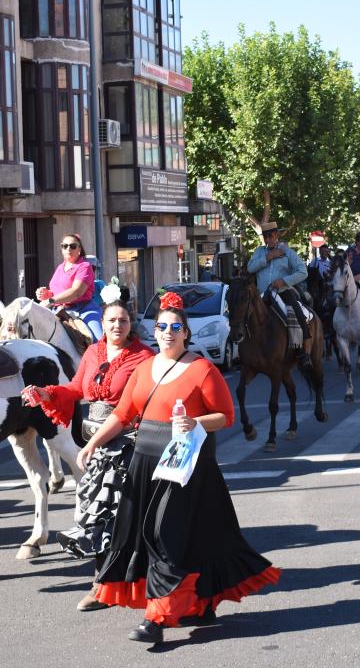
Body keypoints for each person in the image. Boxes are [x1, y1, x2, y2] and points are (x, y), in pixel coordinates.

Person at [76, 292, 280, 644]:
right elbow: (123, 415)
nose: (168, 332)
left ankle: (157, 618)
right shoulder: (143, 369)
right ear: (154, 331)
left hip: (184, 466)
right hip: (145, 462)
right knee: (166, 537)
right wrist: (93, 443)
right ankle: (198, 603)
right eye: (162, 326)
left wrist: (196, 424)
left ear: (186, 333)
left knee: (163, 536)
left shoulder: (202, 369)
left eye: (175, 327)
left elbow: (225, 416)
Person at [21, 300, 154, 611]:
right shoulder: (94, 353)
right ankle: (102, 586)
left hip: (129, 444)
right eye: (111, 320)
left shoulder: (144, 358)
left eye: (122, 320)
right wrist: (46, 393)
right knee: (96, 516)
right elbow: (77, 388)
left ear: (130, 323)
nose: (117, 326)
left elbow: (141, 406)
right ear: (104, 323)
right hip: (97, 443)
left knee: (127, 518)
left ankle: (135, 584)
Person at [246, 222, 311, 364]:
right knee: (246, 316)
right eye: (265, 237)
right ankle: (247, 349)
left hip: (283, 291)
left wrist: (284, 281)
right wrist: (268, 257)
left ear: (277, 235)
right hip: (262, 295)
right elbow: (250, 268)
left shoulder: (289, 253)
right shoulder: (259, 252)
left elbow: (303, 272)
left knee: (297, 314)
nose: (267, 239)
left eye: (270, 236)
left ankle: (303, 352)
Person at [36, 234, 103, 342]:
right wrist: (47, 294)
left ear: (79, 249)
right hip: (59, 311)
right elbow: (57, 291)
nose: (68, 248)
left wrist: (51, 300)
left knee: (99, 342)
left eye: (72, 246)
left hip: (83, 311)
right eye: (65, 246)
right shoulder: (60, 267)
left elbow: (76, 292)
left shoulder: (84, 266)